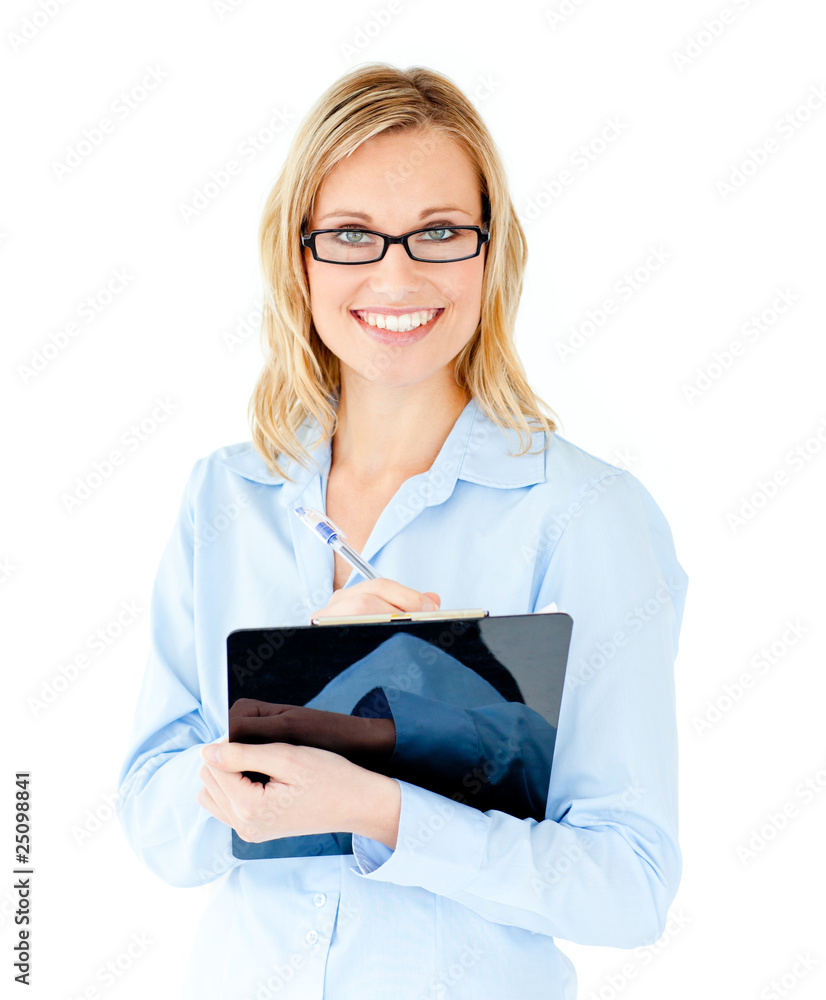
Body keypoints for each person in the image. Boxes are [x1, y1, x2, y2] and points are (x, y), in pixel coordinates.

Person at [116, 62, 689, 1000]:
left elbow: (629, 885)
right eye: (350, 235)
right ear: (296, 257)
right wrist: (297, 691)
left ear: (490, 251)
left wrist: (384, 812)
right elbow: (155, 824)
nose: (396, 273)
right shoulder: (225, 495)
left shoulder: (587, 518)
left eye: (438, 232)